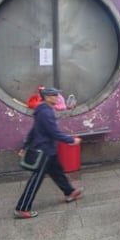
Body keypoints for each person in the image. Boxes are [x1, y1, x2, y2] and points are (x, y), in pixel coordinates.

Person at [14, 87, 82, 219]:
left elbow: (33, 130)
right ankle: (22, 208)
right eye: (54, 95)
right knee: (36, 180)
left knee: (57, 172)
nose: (57, 98)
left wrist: (25, 145)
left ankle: (69, 192)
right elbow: (54, 132)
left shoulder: (43, 110)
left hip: (49, 150)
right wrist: (71, 140)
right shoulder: (46, 112)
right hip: (44, 151)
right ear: (47, 97)